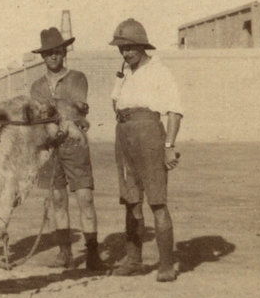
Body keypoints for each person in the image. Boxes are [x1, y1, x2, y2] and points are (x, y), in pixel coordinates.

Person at [109, 18, 183, 282]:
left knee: (157, 201)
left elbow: (175, 111)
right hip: (124, 135)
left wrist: (169, 146)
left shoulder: (159, 71)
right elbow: (116, 103)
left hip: (149, 134)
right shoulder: (125, 72)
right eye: (122, 48)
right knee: (131, 201)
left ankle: (166, 265)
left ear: (142, 46)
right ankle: (134, 260)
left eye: (130, 47)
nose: (125, 53)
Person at [29, 28, 107, 271]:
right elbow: (38, 116)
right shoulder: (37, 85)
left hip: (74, 144)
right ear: (42, 57)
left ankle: (92, 253)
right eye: (48, 53)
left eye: (57, 51)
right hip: (49, 147)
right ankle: (65, 253)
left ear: (64, 53)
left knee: (85, 197)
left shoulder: (77, 78)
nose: (52, 56)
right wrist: (60, 108)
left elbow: (78, 108)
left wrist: (51, 107)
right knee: (57, 199)